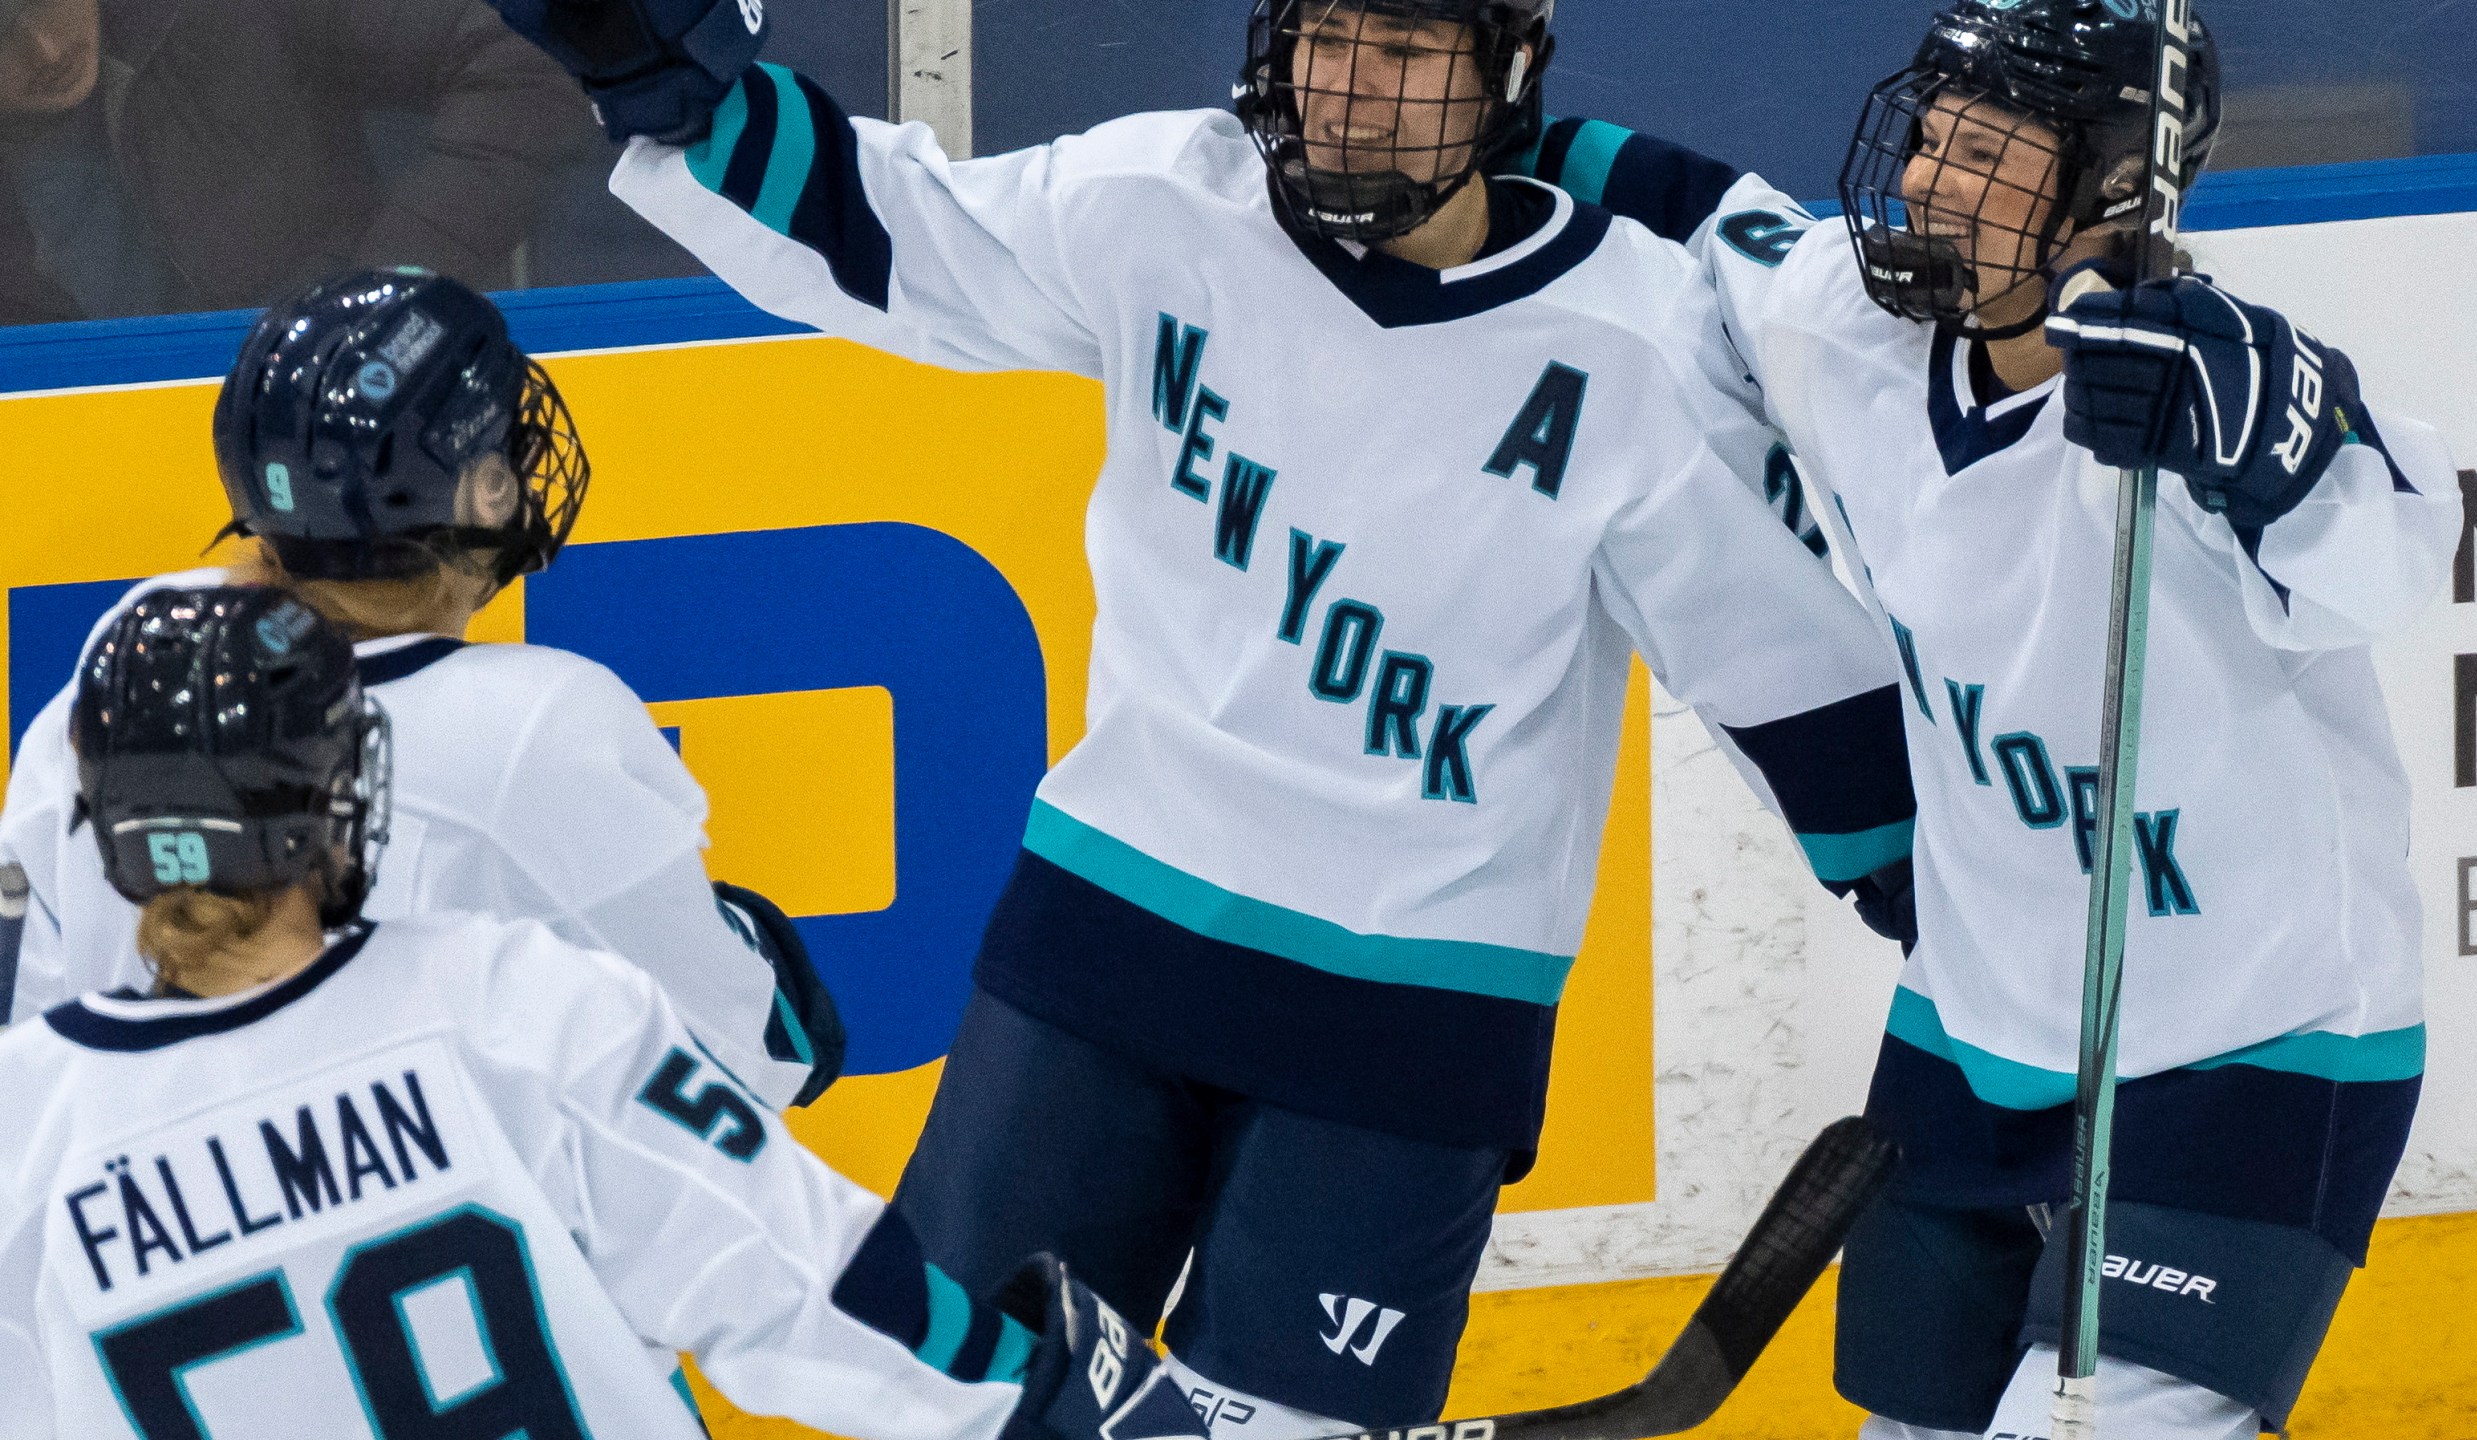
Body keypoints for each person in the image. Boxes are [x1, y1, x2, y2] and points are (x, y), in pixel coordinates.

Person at [483, 0, 1924, 1434]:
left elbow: (1793, 677)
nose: (1351, 91)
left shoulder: (1634, 336)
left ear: (1508, 79)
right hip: (1101, 955)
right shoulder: (1167, 199)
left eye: (1408, 54)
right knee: (938, 1402)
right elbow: (886, 226)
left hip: (1411, 1025)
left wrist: (1969, 930)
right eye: (1327, 39)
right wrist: (668, 87)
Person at [1515, 2, 2464, 1435]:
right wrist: (1479, 120)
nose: (1920, 182)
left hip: (2256, 1055)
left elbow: (2388, 532)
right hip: (1970, 1038)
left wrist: (2242, 411)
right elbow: (1703, 215)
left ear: (2109, 188)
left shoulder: (2200, 399)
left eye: (1981, 154)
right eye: (1931, 139)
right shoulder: (1847, 322)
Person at [0, 583, 1211, 1440]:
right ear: (340, 789)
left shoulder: (25, 1130)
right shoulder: (512, 1006)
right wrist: (1071, 1401)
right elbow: (822, 1294)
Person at [0, 266, 842, 1111]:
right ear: (483, 489)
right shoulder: (539, 727)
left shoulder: (128, 655)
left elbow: (32, 1032)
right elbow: (746, 1055)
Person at [0, 0, 594, 324]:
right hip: (101, 464)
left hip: (372, 413)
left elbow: (523, 51)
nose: (46, 48)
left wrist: (387, 295)